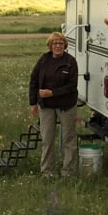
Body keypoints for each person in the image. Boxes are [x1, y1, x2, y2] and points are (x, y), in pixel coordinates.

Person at [29, 32, 79, 177]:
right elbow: (33, 81)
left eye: (60, 43)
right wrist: (33, 103)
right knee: (47, 139)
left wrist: (52, 93)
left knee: (68, 139)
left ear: (65, 45)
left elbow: (72, 86)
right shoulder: (44, 60)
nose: (58, 46)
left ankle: (68, 172)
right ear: (50, 46)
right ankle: (47, 172)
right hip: (46, 106)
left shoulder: (70, 62)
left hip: (66, 105)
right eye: (55, 43)